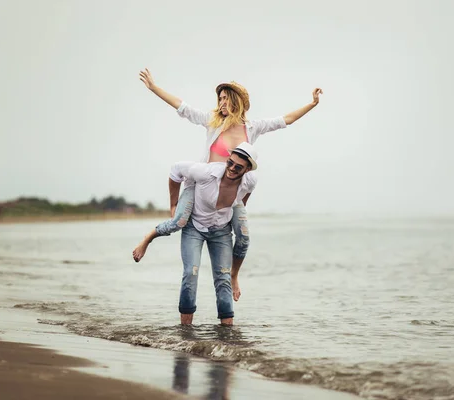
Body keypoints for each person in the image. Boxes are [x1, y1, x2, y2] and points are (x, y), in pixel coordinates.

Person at [132, 68, 323, 303]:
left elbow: (286, 120)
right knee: (178, 221)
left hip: (230, 194)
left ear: (236, 102)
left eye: (226, 98)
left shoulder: (252, 128)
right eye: (220, 98)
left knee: (243, 238)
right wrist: (154, 88)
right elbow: (182, 107)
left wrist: (312, 104)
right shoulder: (213, 123)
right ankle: (148, 238)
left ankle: (233, 276)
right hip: (201, 188)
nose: (221, 102)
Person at [171, 142, 259, 326]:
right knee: (190, 273)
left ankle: (228, 337)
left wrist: (232, 212)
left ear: (248, 169)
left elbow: (243, 197)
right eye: (230, 163)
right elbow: (175, 170)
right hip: (194, 225)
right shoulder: (205, 172)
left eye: (239, 167)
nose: (232, 168)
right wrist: (173, 204)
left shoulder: (250, 180)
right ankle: (185, 332)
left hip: (220, 229)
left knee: (223, 277)